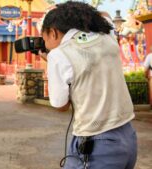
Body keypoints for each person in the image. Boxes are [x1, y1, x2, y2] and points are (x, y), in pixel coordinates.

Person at [40, 2, 137, 169]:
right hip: (128, 137)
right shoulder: (107, 37)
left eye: (44, 39)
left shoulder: (58, 55)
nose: (45, 45)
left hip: (96, 146)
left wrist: (53, 66)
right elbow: (104, 16)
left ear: (53, 32)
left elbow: (61, 105)